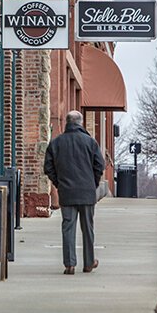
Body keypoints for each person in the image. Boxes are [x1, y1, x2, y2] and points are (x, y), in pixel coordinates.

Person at [43, 110, 105, 275]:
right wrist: (93, 183)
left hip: (67, 192)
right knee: (88, 228)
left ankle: (69, 264)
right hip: (87, 192)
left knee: (68, 228)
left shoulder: (56, 143)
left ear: (67, 123)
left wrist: (58, 182)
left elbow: (47, 167)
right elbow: (100, 165)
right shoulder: (90, 142)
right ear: (81, 123)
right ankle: (89, 262)